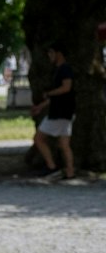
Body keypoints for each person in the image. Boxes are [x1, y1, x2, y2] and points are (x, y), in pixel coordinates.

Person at [30, 45, 77, 182]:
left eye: (51, 53)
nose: (49, 56)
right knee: (64, 144)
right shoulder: (59, 70)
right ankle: (69, 171)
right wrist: (40, 106)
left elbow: (66, 88)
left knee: (38, 138)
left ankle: (52, 167)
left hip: (60, 112)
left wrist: (49, 93)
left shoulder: (65, 69)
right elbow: (57, 97)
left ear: (59, 53)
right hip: (63, 111)